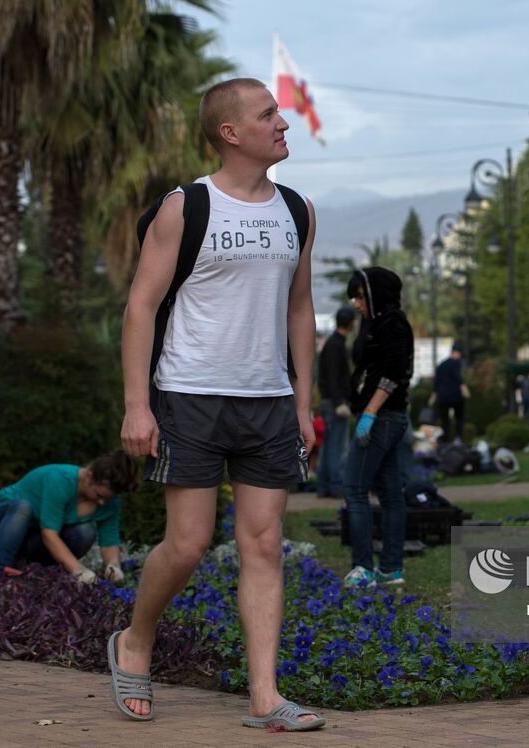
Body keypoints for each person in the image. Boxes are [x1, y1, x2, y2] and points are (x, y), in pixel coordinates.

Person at [111, 77, 322, 731]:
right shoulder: (187, 208)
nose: (282, 123)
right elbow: (141, 307)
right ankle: (135, 640)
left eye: (279, 113)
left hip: (268, 399)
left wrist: (303, 404)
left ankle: (265, 696)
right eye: (267, 115)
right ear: (231, 133)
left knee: (264, 543)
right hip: (190, 394)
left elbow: (300, 308)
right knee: (188, 543)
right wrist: (137, 405)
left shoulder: (298, 210)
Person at [343, 266, 414, 588]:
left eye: (360, 296)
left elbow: (393, 372)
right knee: (389, 492)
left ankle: (363, 567)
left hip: (382, 418)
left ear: (376, 294)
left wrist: (370, 413)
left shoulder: (393, 323)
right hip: (384, 417)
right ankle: (390, 568)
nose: (356, 304)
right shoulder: (375, 323)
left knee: (355, 488)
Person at [0, 450, 138, 582]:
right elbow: (49, 535)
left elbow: (109, 542)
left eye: (107, 498)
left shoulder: (109, 501)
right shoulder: (60, 479)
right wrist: (79, 571)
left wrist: (113, 566)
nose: (102, 502)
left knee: (85, 532)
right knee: (22, 507)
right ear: (89, 476)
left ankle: (29, 571)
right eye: (99, 495)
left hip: (30, 538)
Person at [316, 306, 356, 498]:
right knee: (337, 446)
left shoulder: (333, 343)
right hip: (334, 403)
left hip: (330, 401)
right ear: (351, 323)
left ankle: (324, 485)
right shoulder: (336, 345)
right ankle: (335, 485)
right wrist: (340, 401)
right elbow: (333, 377)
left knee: (329, 444)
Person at [432, 343, 468, 440]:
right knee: (459, 418)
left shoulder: (441, 365)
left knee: (444, 420)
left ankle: (445, 439)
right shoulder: (456, 363)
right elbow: (457, 376)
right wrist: (463, 387)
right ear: (457, 353)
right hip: (455, 396)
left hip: (443, 396)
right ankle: (458, 438)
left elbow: (436, 381)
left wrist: (434, 394)